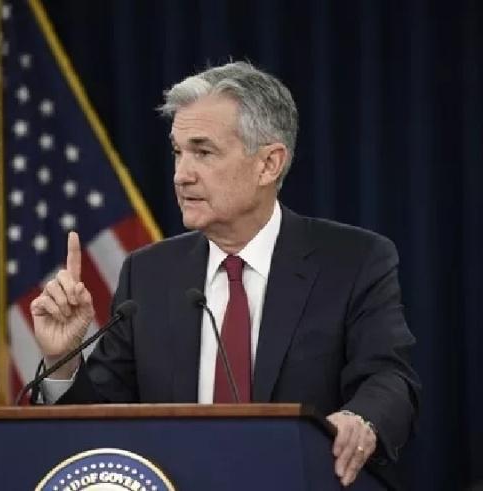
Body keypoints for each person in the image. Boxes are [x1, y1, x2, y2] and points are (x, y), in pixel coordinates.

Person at [30, 61, 420, 488]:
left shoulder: (353, 261)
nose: (181, 175)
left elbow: (389, 377)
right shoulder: (148, 274)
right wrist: (62, 362)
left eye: (203, 152)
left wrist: (360, 419)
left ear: (268, 164)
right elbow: (99, 430)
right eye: (178, 152)